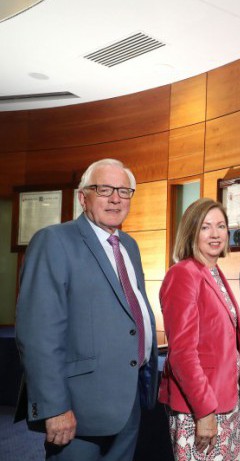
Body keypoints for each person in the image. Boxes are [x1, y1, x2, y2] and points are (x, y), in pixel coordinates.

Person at [15, 158, 158, 460]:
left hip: (127, 403)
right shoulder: (53, 240)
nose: (116, 198)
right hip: (77, 412)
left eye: (124, 190)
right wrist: (54, 407)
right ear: (83, 197)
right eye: (104, 189)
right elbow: (38, 334)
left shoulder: (129, 246)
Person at [159, 198, 240, 461]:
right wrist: (205, 411)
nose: (215, 234)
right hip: (200, 407)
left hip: (226, 400)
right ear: (191, 231)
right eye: (206, 227)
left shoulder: (214, 272)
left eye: (221, 226)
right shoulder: (183, 274)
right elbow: (182, 354)